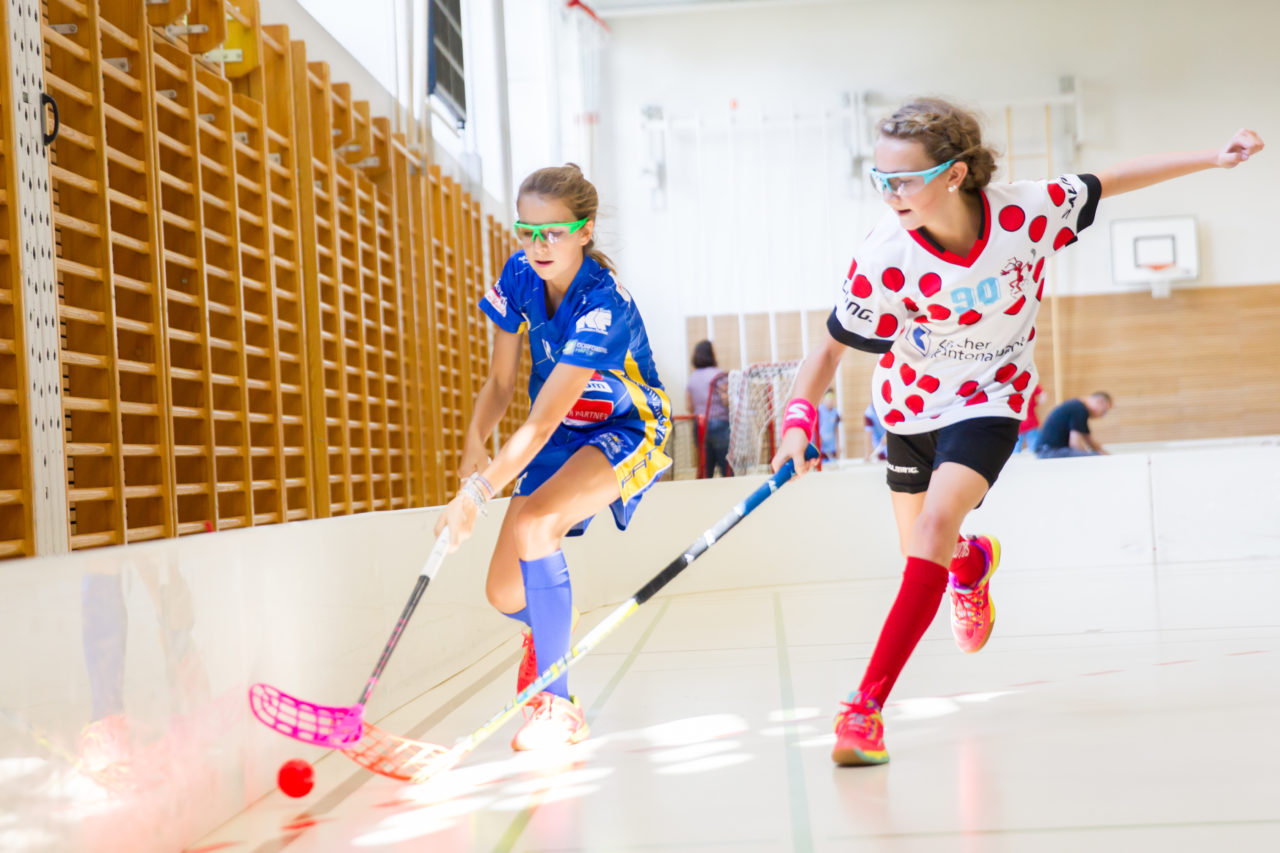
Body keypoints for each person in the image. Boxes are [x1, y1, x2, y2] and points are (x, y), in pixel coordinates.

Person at [770, 97, 1263, 767]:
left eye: (904, 179)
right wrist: (798, 422)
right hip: (909, 407)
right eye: (879, 180)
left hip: (990, 396)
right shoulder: (883, 256)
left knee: (929, 529)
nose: (889, 195)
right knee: (926, 553)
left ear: (955, 173)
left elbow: (1113, 178)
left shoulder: (1026, 210)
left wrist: (1212, 156)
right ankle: (970, 565)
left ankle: (864, 708)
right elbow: (828, 352)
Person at [434, 164, 672, 750]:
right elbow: (500, 382)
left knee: (538, 525)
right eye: (527, 231)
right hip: (564, 431)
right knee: (504, 593)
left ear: (584, 231)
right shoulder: (518, 275)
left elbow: (538, 422)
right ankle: (547, 628)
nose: (538, 246)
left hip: (626, 427)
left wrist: (479, 492)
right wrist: (473, 442)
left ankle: (556, 706)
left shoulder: (603, 305)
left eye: (554, 233)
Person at [686, 340, 731, 477]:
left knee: (706, 469)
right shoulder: (719, 375)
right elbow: (726, 400)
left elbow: (689, 407)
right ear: (712, 355)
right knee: (726, 468)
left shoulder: (692, 378)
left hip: (699, 426)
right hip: (720, 424)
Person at [1035, 392, 1111, 457]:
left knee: (1096, 455)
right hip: (1049, 451)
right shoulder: (1080, 409)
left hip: (1046, 450)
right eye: (1104, 411)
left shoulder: (1078, 407)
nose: (1102, 415)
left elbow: (1090, 442)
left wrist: (1106, 454)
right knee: (1095, 457)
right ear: (1099, 401)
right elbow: (1075, 444)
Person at [1014, 383, 1045, 453]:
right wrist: (1035, 404)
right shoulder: (1030, 383)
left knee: (1015, 451)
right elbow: (1043, 396)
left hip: (1017, 422)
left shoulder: (1013, 384)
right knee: (1034, 450)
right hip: (1030, 422)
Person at [817, 388, 841, 461]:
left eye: (832, 398)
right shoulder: (819, 411)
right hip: (821, 447)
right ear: (823, 398)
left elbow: (836, 430)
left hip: (832, 448)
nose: (830, 400)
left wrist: (837, 446)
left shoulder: (835, 413)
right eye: (828, 398)